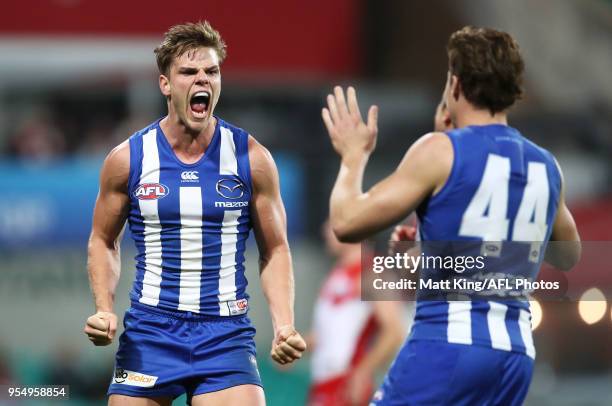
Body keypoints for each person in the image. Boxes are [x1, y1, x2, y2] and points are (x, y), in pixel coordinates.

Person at [322, 26, 581, 405]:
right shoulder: (546, 166)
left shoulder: (439, 150)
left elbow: (346, 223)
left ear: (455, 84)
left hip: (449, 344)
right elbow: (568, 255)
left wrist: (352, 157)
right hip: (515, 355)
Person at [83, 21, 306, 406]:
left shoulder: (252, 159)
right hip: (150, 333)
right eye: (189, 72)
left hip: (225, 336)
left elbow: (277, 249)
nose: (203, 79)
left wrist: (284, 324)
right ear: (166, 85)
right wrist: (103, 308)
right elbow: (103, 241)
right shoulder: (127, 160)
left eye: (212, 71)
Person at [308, 222, 404, 406]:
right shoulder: (336, 273)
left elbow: (394, 332)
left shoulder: (373, 274)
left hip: (346, 385)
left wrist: (363, 371)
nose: (325, 230)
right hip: (323, 383)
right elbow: (328, 333)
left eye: (332, 223)